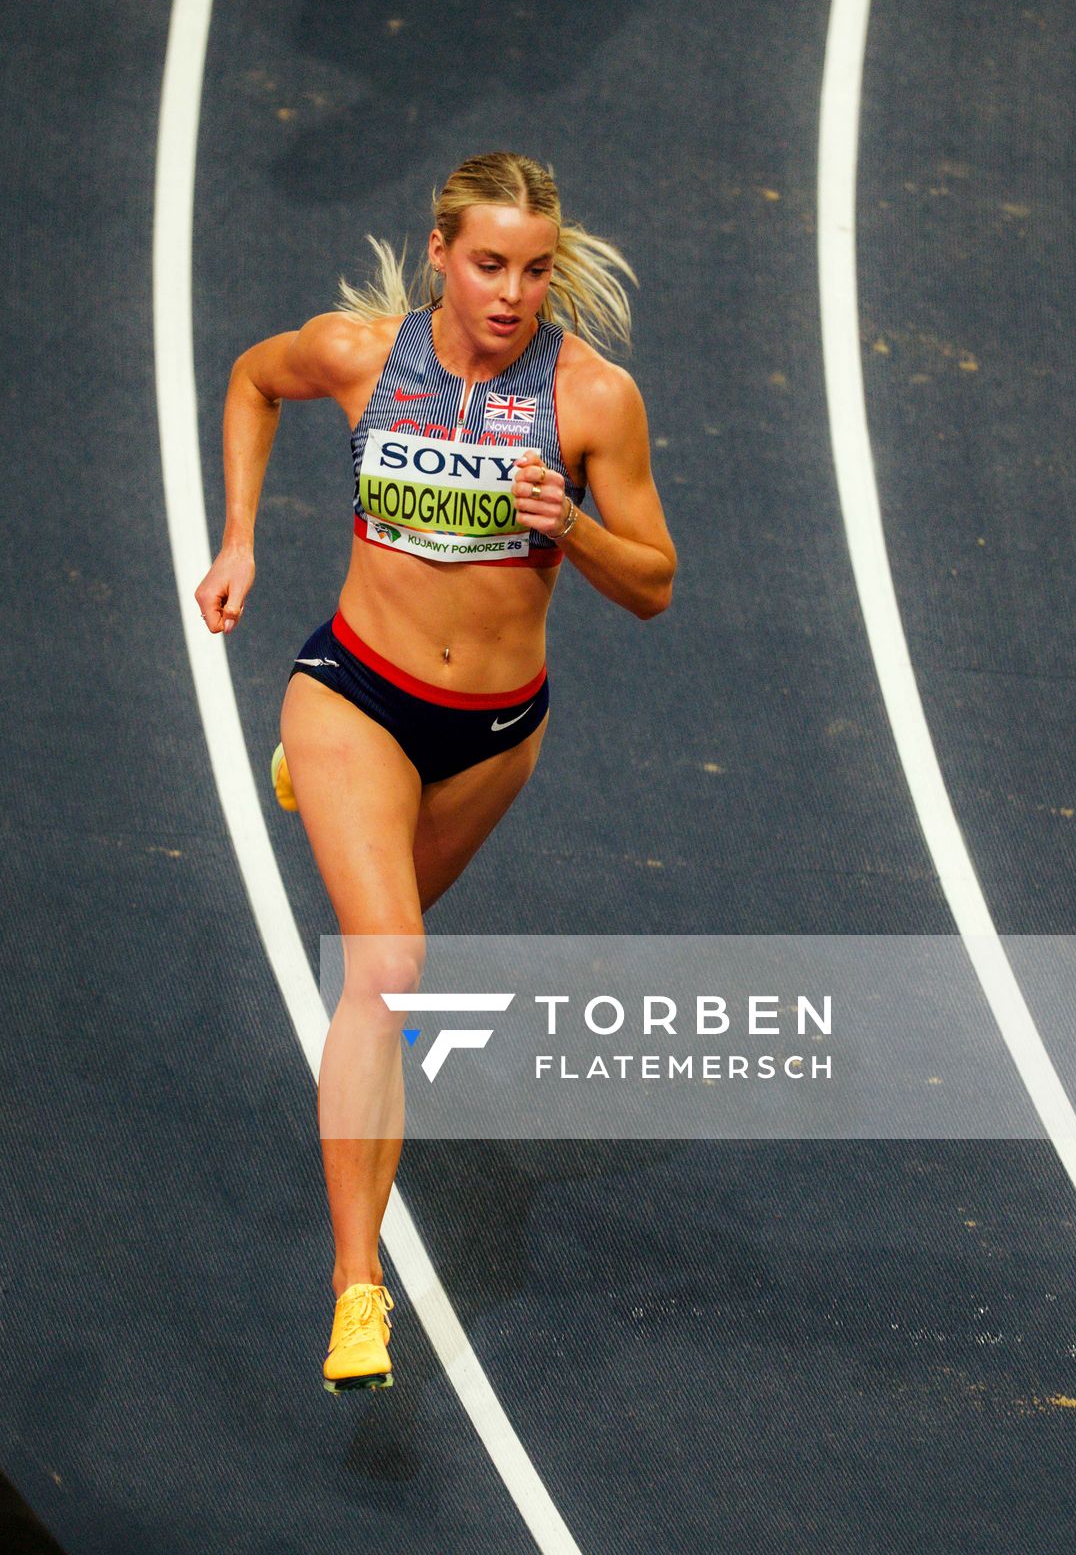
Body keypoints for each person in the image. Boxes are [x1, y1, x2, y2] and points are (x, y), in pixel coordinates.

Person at [194, 153, 676, 1393]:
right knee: (390, 971)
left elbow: (654, 587)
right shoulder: (360, 356)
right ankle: (360, 1290)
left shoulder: (591, 400)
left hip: (493, 737)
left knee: (383, 946)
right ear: (440, 255)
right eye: (487, 265)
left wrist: (572, 525)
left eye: (532, 269)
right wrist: (238, 538)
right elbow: (254, 381)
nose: (512, 293)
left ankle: (333, 798)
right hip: (354, 692)